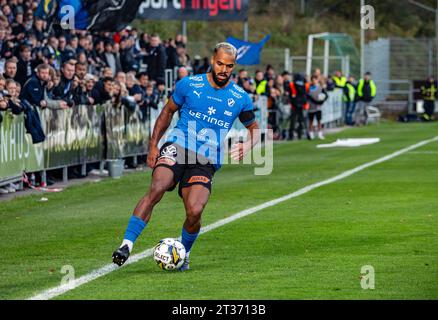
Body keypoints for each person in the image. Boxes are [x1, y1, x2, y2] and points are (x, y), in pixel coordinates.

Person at [112, 42, 260, 270]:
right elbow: (167, 112)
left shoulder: (240, 97)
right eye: (220, 63)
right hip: (178, 144)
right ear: (213, 60)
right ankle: (126, 245)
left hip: (206, 158)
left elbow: (255, 129)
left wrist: (248, 146)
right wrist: (153, 146)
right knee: (158, 187)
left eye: (229, 66)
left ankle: (184, 253)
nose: (224, 70)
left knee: (195, 210)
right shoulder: (189, 84)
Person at [288, 73, 309, 140]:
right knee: (300, 120)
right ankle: (299, 134)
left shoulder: (293, 85)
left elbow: (291, 95)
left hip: (296, 104)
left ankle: (292, 135)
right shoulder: (303, 85)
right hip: (299, 104)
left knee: (294, 120)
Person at [307, 75, 328, 140]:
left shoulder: (320, 88)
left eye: (315, 80)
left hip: (318, 107)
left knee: (319, 121)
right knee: (311, 121)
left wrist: (322, 101)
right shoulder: (309, 88)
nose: (314, 81)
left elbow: (326, 95)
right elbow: (308, 96)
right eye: (313, 80)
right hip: (311, 107)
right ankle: (311, 134)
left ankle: (320, 134)